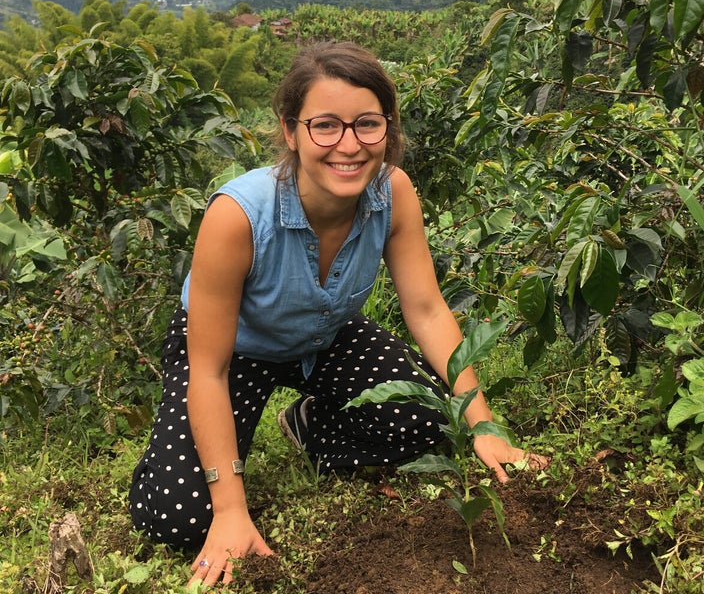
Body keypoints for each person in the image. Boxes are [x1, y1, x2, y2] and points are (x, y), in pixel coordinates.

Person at [128, 41, 548, 587]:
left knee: (426, 423)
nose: (348, 146)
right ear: (291, 129)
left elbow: (425, 309)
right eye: (325, 125)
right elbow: (208, 369)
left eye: (367, 124)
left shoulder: (393, 191)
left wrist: (484, 425)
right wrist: (231, 510)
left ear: (388, 129)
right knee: (178, 518)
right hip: (235, 351)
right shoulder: (237, 216)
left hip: (325, 335)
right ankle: (179, 458)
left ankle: (309, 425)